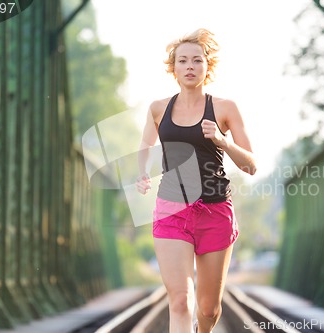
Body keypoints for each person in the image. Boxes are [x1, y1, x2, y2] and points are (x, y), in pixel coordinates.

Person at [136, 28, 256, 333]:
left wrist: (222, 141)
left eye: (197, 60)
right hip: (172, 209)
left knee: (208, 309)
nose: (190, 66)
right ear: (173, 68)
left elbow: (251, 166)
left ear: (207, 66)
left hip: (215, 212)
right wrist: (141, 173)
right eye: (183, 61)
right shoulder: (158, 108)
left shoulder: (226, 108)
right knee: (180, 302)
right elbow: (145, 145)